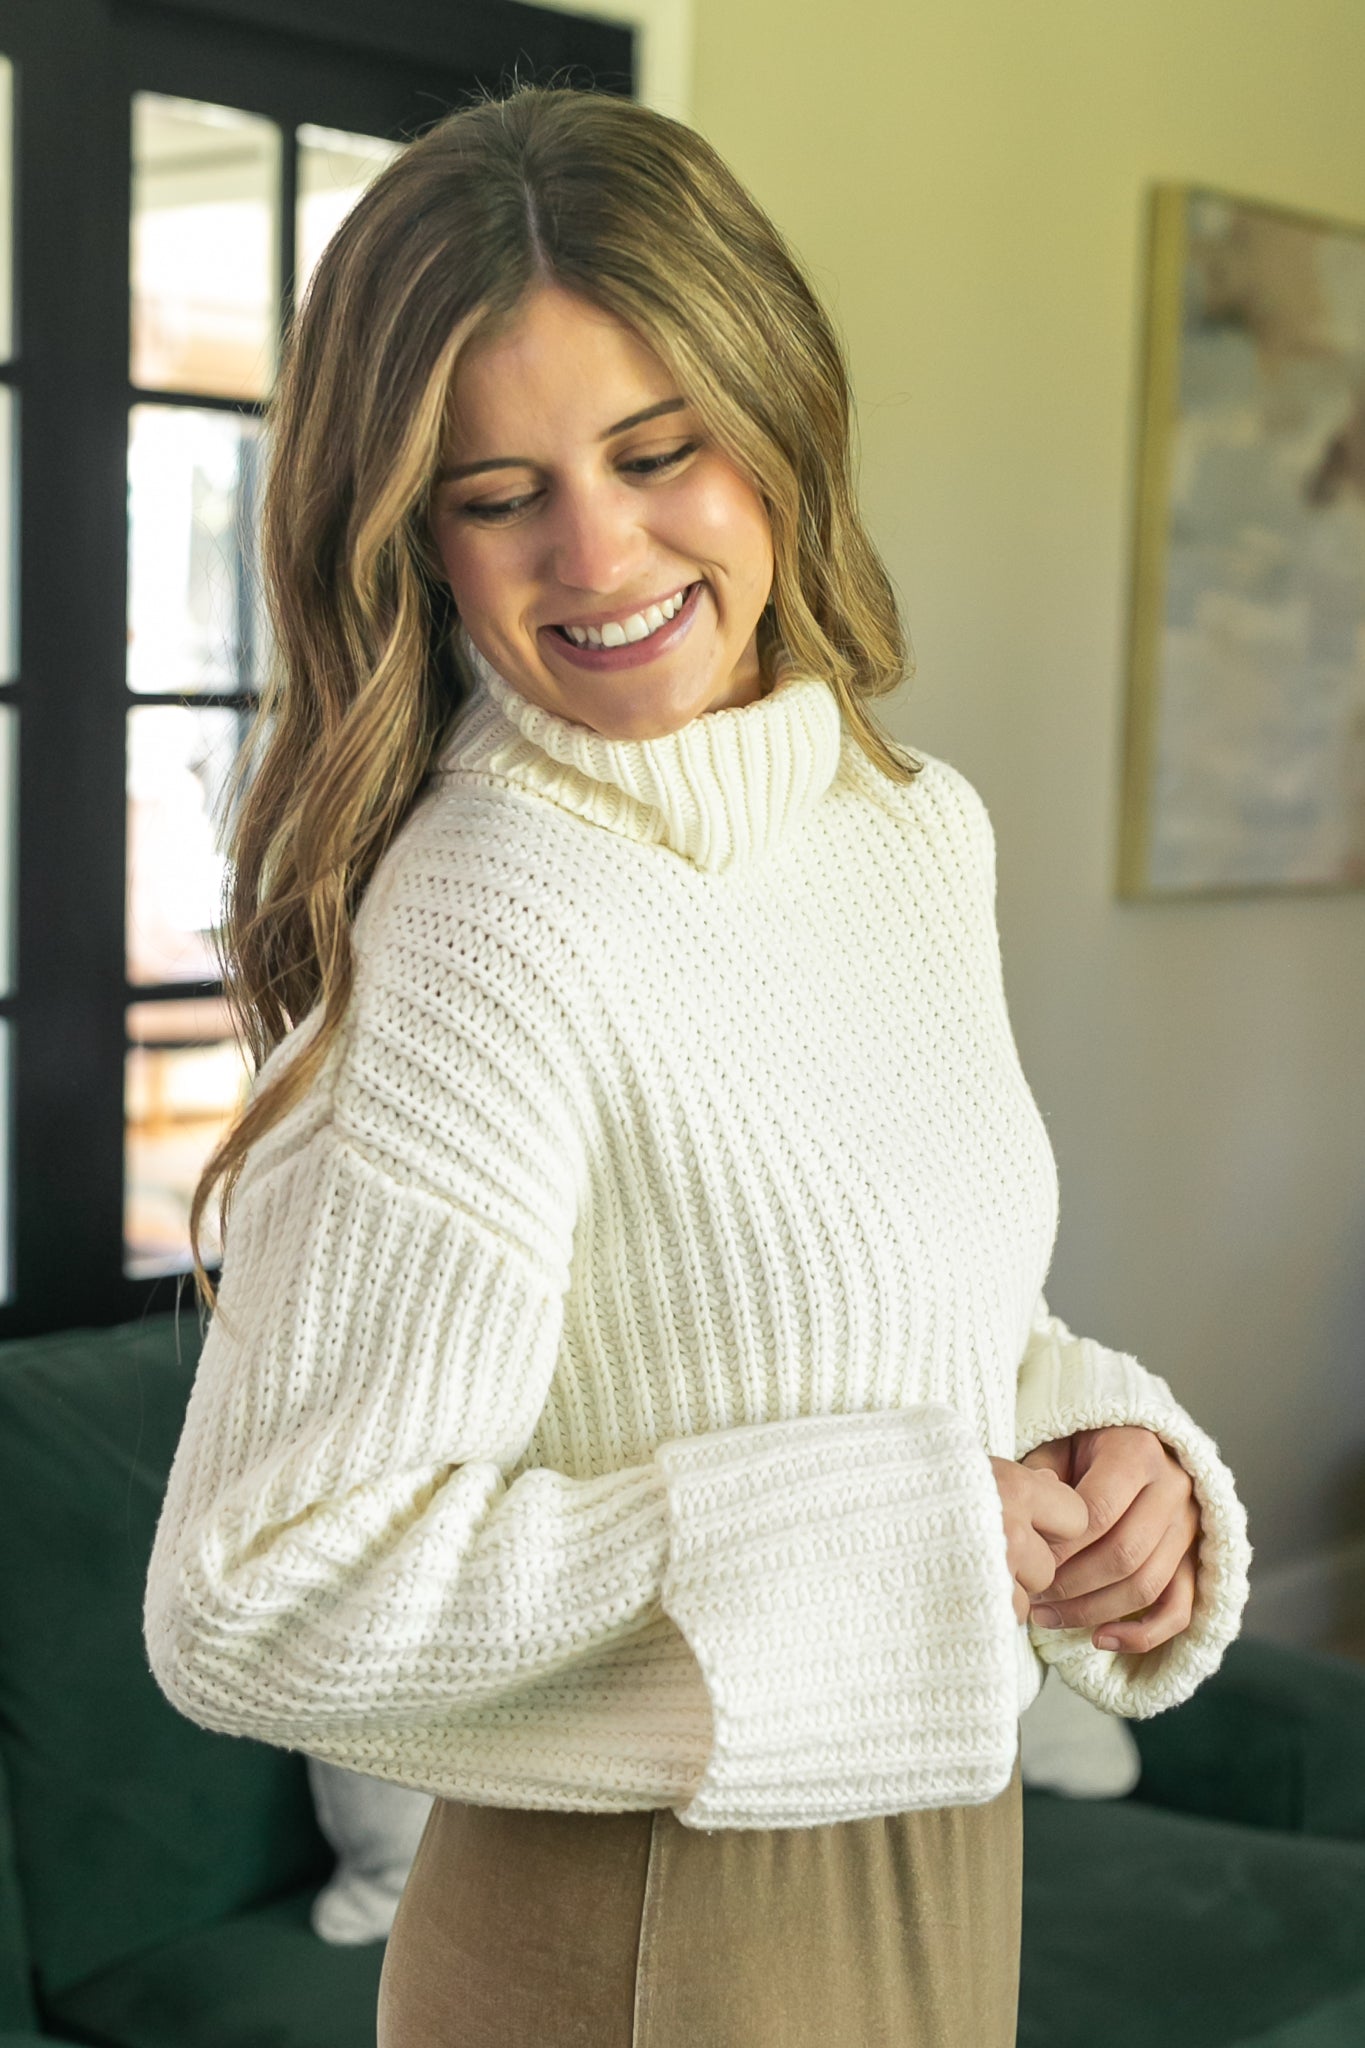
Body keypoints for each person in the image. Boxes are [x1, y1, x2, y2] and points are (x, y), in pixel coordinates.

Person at [143, 82, 1252, 2048]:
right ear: (416, 537)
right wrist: (897, 1530)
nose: (597, 549)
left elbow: (896, 1323)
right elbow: (254, 1598)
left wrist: (1105, 1458)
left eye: (659, 452)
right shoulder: (489, 923)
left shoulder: (904, 832)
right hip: (643, 1939)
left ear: (779, 414)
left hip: (942, 1865)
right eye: (498, 494)